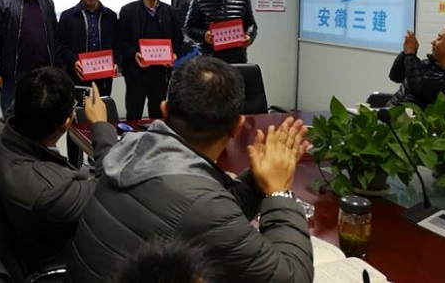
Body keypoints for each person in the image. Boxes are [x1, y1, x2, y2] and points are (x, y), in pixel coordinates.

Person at [67, 56, 313, 283]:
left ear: (164, 110)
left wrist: (258, 181)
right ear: (238, 126)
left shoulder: (132, 147)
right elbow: (292, 278)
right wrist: (279, 192)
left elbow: (210, 215)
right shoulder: (202, 205)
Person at [0, 67, 117, 272]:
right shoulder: (53, 189)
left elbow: (11, 118)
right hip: (68, 256)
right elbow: (108, 192)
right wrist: (100, 124)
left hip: (23, 234)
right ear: (66, 124)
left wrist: (36, 88)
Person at [118, 0, 182, 121]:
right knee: (134, 114)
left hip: (160, 72)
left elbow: (178, 39)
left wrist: (174, 54)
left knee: (158, 115)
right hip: (136, 72)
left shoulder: (170, 11)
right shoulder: (128, 11)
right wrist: (134, 54)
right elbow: (121, 40)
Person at [183, 0, 258, 64]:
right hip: (210, 59)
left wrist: (249, 35)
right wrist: (204, 35)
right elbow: (188, 29)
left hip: (237, 59)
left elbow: (251, 24)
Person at [58, 0, 118, 96]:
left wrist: (117, 63)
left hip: (104, 76)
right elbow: (61, 44)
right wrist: (74, 61)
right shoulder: (67, 16)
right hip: (77, 74)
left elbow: (117, 43)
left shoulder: (110, 16)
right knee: (79, 106)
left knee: (102, 106)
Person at [388, 24, 445, 108]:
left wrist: (410, 54)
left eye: (439, 39)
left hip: (409, 116)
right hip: (390, 110)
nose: (433, 42)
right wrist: (406, 53)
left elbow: (418, 89)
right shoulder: (427, 63)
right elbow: (396, 76)